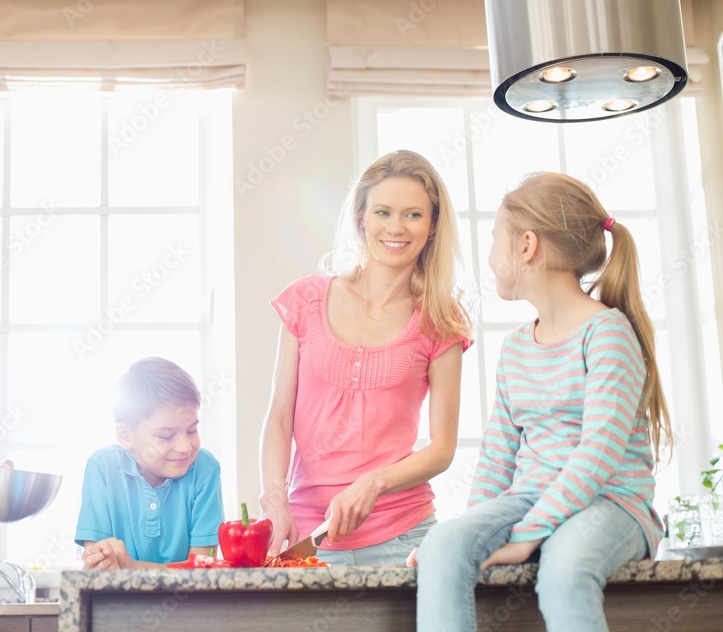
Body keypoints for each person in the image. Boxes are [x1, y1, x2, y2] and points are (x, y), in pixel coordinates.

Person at [413, 172, 673, 631]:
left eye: (496, 239)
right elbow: (497, 456)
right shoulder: (516, 348)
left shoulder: (607, 334)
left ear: (527, 246)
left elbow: (599, 454)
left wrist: (529, 534)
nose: (491, 258)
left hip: (615, 503)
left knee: (565, 566)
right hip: (531, 497)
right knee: (442, 544)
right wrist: (461, 537)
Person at [258, 149, 472, 566]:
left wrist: (374, 482)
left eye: (413, 215)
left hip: (404, 536)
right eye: (383, 212)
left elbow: (443, 447)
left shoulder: (441, 318)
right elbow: (279, 418)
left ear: (432, 226)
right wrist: (274, 498)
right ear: (361, 219)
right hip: (308, 536)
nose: (396, 227)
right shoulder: (306, 300)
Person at [75, 357, 225, 569]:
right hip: (118, 602)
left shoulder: (205, 470)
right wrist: (109, 564)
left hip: (188, 603)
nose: (185, 446)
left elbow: (202, 573)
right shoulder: (102, 468)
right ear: (126, 436)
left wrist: (131, 567)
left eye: (192, 430)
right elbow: (100, 570)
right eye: (166, 436)